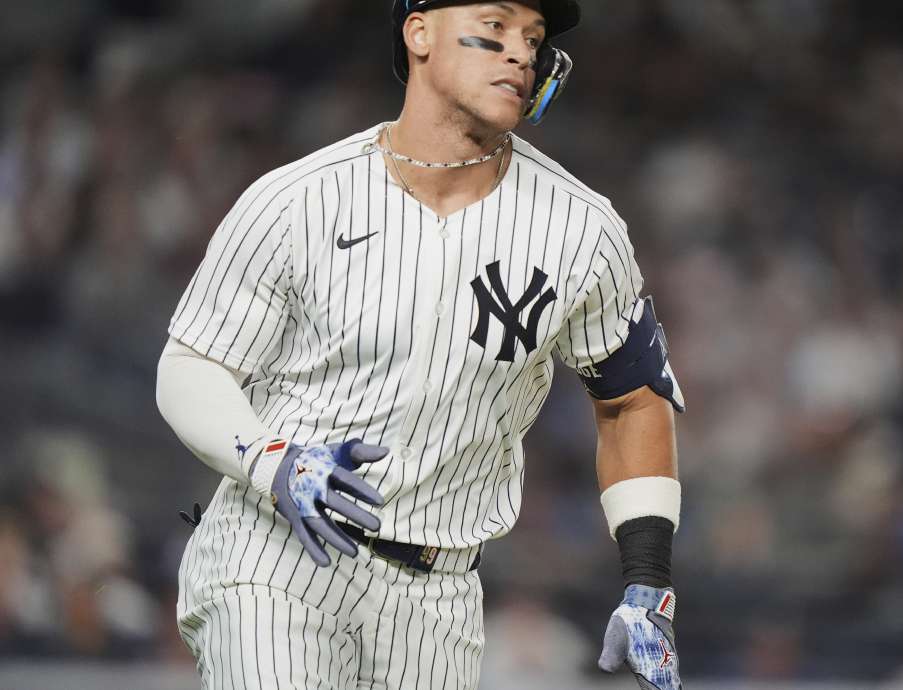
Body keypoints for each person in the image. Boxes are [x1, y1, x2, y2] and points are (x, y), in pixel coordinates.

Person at [155, 1, 685, 688]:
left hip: (438, 596)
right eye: (495, 27)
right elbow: (191, 364)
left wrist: (648, 582)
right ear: (419, 32)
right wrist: (270, 461)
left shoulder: (583, 231)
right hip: (273, 552)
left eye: (534, 38)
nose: (521, 52)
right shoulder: (297, 200)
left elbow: (633, 402)